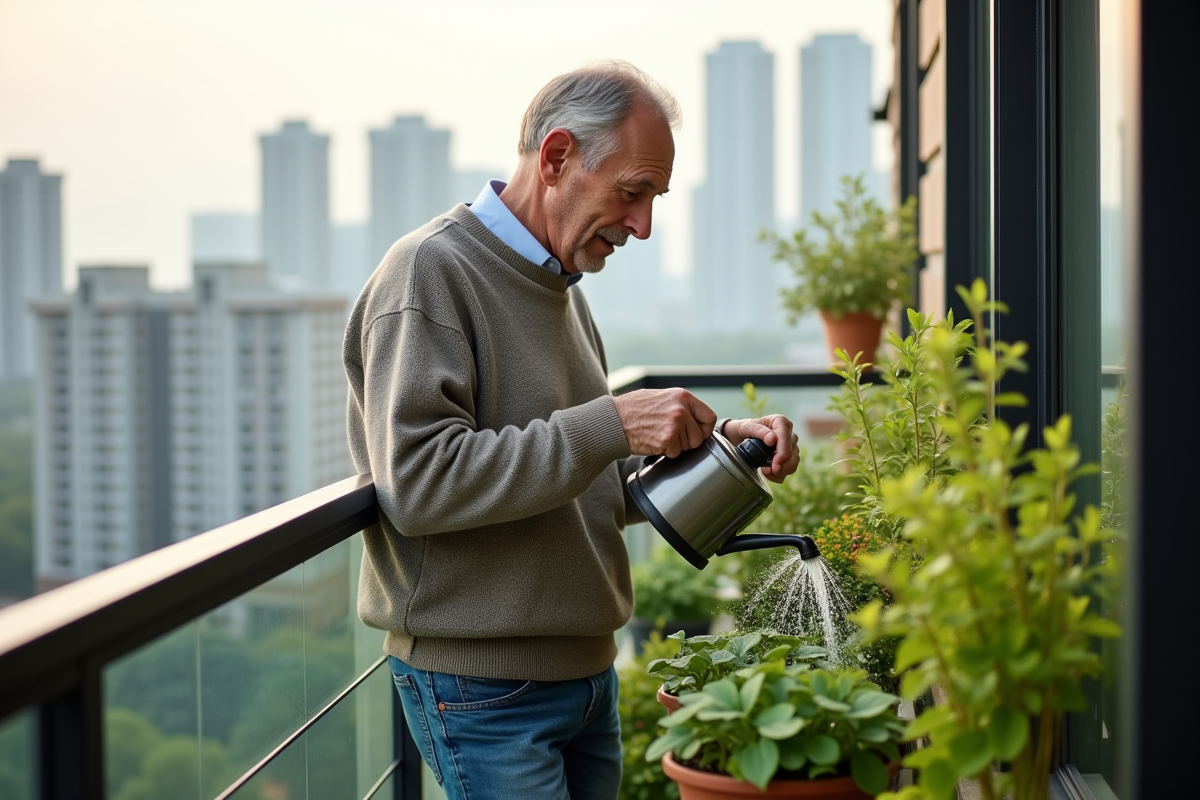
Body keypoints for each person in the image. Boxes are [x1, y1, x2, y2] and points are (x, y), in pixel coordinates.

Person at [342, 61, 801, 800]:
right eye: (632, 192)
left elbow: (588, 480)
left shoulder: (561, 289)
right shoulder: (428, 272)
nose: (643, 226)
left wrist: (719, 448)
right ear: (556, 158)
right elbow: (419, 487)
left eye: (653, 199)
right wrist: (613, 421)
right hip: (484, 688)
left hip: (585, 674)